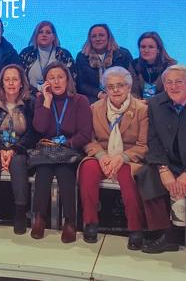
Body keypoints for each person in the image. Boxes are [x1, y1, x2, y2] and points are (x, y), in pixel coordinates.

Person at [135, 65, 186, 261]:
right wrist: (163, 169)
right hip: (170, 161)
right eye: (169, 82)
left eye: (179, 82)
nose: (173, 86)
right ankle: (168, 233)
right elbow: (153, 139)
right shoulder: (156, 103)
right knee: (146, 174)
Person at [79, 66, 148, 249]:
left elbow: (143, 145)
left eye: (120, 85)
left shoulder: (141, 110)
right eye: (110, 86)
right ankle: (90, 222)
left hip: (128, 158)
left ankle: (135, 229)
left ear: (129, 87)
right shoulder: (94, 108)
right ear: (105, 89)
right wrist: (101, 156)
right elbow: (88, 140)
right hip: (102, 156)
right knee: (88, 169)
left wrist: (122, 157)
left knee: (126, 174)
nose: (116, 90)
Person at [31, 62, 92, 243]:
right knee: (43, 172)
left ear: (67, 79)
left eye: (60, 77)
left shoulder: (80, 100)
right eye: (51, 78)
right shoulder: (42, 100)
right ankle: (39, 218)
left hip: (69, 150)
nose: (56, 82)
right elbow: (40, 128)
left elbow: (85, 134)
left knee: (65, 173)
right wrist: (47, 103)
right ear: (46, 82)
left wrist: (67, 143)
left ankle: (70, 222)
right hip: (48, 151)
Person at [0, 64, 38, 234]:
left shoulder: (30, 103)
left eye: (15, 79)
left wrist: (14, 149)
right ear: (2, 83)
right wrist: (1, 149)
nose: (11, 83)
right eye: (7, 79)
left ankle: (20, 214)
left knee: (18, 164)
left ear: (22, 82)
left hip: (21, 148)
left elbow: (33, 133)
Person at [75, 24, 133, 103]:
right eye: (94, 36)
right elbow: (81, 84)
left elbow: (130, 79)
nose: (98, 39)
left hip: (120, 95)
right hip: (93, 98)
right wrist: (99, 94)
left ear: (109, 37)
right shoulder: (82, 57)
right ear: (89, 39)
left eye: (101, 35)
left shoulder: (123, 54)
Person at [19, 21, 75, 94]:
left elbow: (71, 79)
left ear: (53, 37)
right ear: (36, 36)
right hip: (31, 97)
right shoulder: (26, 53)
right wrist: (35, 93)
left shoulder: (64, 55)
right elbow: (19, 78)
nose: (44, 35)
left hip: (58, 97)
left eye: (48, 32)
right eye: (40, 32)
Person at [129, 31, 176, 101]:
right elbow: (134, 92)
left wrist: (153, 104)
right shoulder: (134, 65)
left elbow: (170, 92)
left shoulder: (170, 66)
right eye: (143, 47)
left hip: (163, 105)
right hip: (141, 106)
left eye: (151, 47)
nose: (146, 50)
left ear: (158, 50)